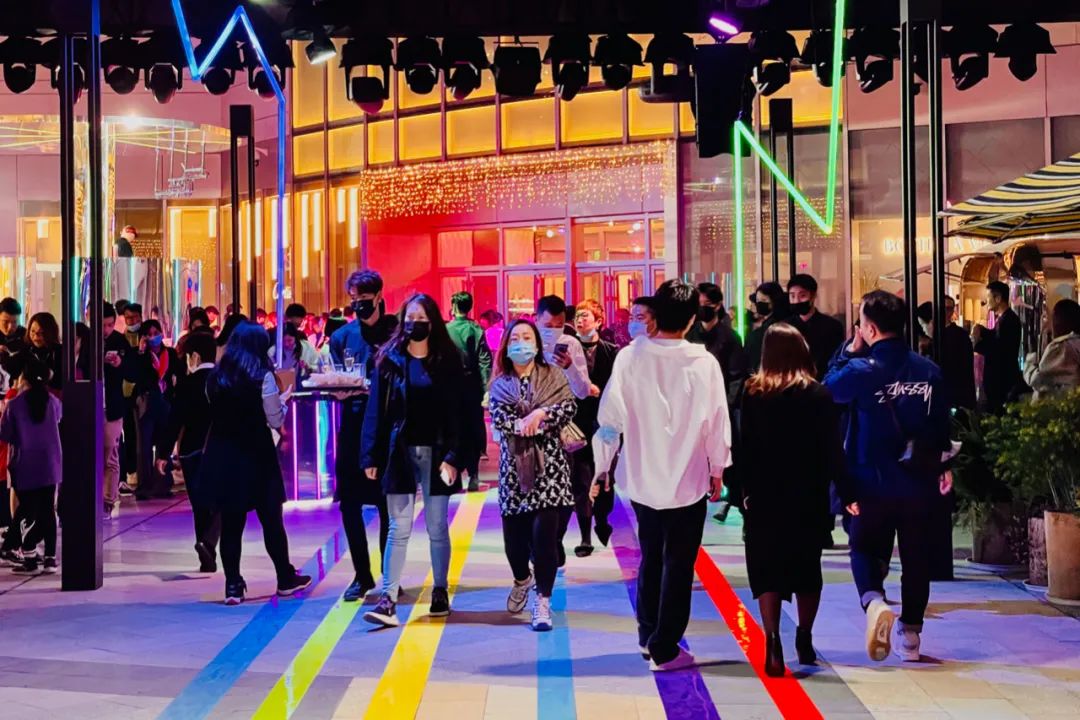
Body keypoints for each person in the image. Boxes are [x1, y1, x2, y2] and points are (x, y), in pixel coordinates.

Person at [592, 280, 730, 671]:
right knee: (679, 562)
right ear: (690, 319)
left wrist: (602, 467)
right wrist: (717, 468)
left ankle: (647, 633)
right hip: (688, 477)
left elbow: (609, 420)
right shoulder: (703, 362)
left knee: (651, 555)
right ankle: (665, 647)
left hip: (642, 476)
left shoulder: (630, 357)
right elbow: (716, 421)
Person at [823, 290, 952, 664]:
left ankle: (874, 601)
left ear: (870, 329)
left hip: (870, 481)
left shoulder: (861, 370)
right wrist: (945, 468)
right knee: (916, 558)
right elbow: (941, 427)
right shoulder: (929, 371)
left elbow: (826, 390)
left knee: (863, 547)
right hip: (918, 481)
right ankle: (910, 636)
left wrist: (849, 351)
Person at [736, 323, 847, 676]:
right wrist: (847, 492)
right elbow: (832, 450)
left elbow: (745, 446)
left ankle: (772, 640)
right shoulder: (819, 394)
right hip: (807, 496)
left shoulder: (753, 392)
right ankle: (804, 636)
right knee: (807, 568)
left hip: (764, 495)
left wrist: (743, 493)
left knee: (766, 569)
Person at [361, 293, 467, 628]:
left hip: (438, 453)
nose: (415, 324)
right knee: (398, 527)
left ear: (433, 322)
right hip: (400, 452)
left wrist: (455, 456)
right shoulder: (390, 360)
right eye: (409, 318)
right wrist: (370, 454)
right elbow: (375, 410)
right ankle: (388, 598)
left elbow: (459, 412)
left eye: (421, 318)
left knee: (437, 526)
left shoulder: (448, 360)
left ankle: (440, 589)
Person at [201, 322, 311, 604]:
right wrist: (283, 401)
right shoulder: (263, 378)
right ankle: (285, 578)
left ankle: (233, 585)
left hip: (224, 455)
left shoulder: (215, 378)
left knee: (231, 523)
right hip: (256, 454)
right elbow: (274, 419)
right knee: (271, 520)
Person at [489, 318, 577, 631]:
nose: (521, 343)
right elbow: (499, 418)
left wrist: (542, 414)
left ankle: (543, 601)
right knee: (514, 544)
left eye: (527, 337)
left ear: (538, 344)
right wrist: (522, 425)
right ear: (506, 346)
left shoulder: (554, 375)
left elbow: (569, 408)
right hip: (514, 470)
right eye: (515, 338)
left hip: (550, 468)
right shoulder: (500, 384)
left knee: (544, 541)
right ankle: (522, 579)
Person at [330, 270, 396, 603]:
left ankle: (389, 574)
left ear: (379, 296)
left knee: (387, 506)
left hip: (386, 429)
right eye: (354, 300)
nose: (359, 306)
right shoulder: (342, 337)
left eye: (364, 300)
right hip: (353, 427)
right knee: (350, 504)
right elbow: (336, 376)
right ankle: (361, 574)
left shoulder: (396, 333)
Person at [156, 332, 220, 572]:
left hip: (191, 451)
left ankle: (205, 551)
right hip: (219, 448)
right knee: (221, 499)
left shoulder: (187, 383)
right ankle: (208, 543)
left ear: (195, 357)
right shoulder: (224, 381)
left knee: (199, 503)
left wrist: (163, 453)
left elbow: (175, 420)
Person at [563, 299, 618, 557]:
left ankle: (602, 520)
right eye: (578, 316)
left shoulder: (612, 351)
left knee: (605, 477)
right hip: (576, 424)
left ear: (598, 321)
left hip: (605, 424)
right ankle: (585, 536)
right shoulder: (566, 350)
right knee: (580, 480)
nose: (580, 320)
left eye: (585, 315)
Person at [0, 358, 62, 574]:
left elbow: (5, 434)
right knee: (48, 511)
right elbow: (59, 419)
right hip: (50, 464)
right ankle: (50, 559)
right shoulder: (53, 402)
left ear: (24, 379)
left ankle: (29, 557)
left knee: (27, 511)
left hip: (24, 465)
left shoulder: (15, 405)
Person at [446, 291, 493, 493]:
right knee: (473, 427)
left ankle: (454, 476)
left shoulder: (445, 329)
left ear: (453, 307)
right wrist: (486, 387)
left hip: (450, 386)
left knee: (452, 429)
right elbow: (484, 361)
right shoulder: (476, 329)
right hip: (471, 386)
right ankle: (474, 475)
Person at [132, 320, 182, 501]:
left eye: (156, 333)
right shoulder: (141, 355)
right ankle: (144, 486)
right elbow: (134, 375)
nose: (153, 337)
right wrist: (140, 351)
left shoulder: (170, 354)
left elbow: (178, 373)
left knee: (164, 443)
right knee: (144, 446)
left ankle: (163, 484)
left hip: (165, 401)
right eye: (149, 334)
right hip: (147, 402)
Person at [102, 303, 135, 519]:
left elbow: (132, 371)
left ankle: (107, 500)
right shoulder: (86, 340)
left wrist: (120, 363)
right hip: (90, 404)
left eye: (110, 325)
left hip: (112, 406)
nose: (106, 330)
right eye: (102, 325)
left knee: (110, 452)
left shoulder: (119, 341)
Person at [917, 298, 977, 411]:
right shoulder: (937, 339)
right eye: (944, 309)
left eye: (949, 308)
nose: (946, 312)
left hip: (955, 398)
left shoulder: (956, 336)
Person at [973, 281, 1023, 414]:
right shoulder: (1004, 319)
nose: (986, 301)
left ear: (998, 298)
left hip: (1001, 382)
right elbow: (996, 339)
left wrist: (977, 344)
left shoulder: (1009, 320)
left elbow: (999, 350)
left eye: (988, 297)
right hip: (999, 381)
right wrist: (982, 330)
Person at [686, 283, 749, 388]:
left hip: (720, 393)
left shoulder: (731, 337)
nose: (702, 307)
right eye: (699, 303)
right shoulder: (689, 334)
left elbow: (736, 378)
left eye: (707, 303)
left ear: (718, 305)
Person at [787, 274, 845, 380]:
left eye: (802, 296)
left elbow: (836, 361)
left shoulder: (832, 326)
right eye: (792, 296)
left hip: (822, 382)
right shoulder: (785, 327)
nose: (796, 301)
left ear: (813, 296)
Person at [535, 295, 593, 401]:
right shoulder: (526, 344)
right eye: (548, 326)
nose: (553, 330)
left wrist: (570, 368)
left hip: (562, 407)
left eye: (559, 326)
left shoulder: (571, 344)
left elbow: (584, 392)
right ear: (536, 320)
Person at [1024, 299, 1080, 399]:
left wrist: (1031, 357)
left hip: (1057, 404)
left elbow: (1037, 380)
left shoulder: (1061, 347)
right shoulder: (1075, 343)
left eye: (1051, 317)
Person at [746, 282, 790, 371]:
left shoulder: (776, 327)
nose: (759, 303)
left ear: (774, 301)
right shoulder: (761, 326)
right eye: (758, 300)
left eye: (764, 300)